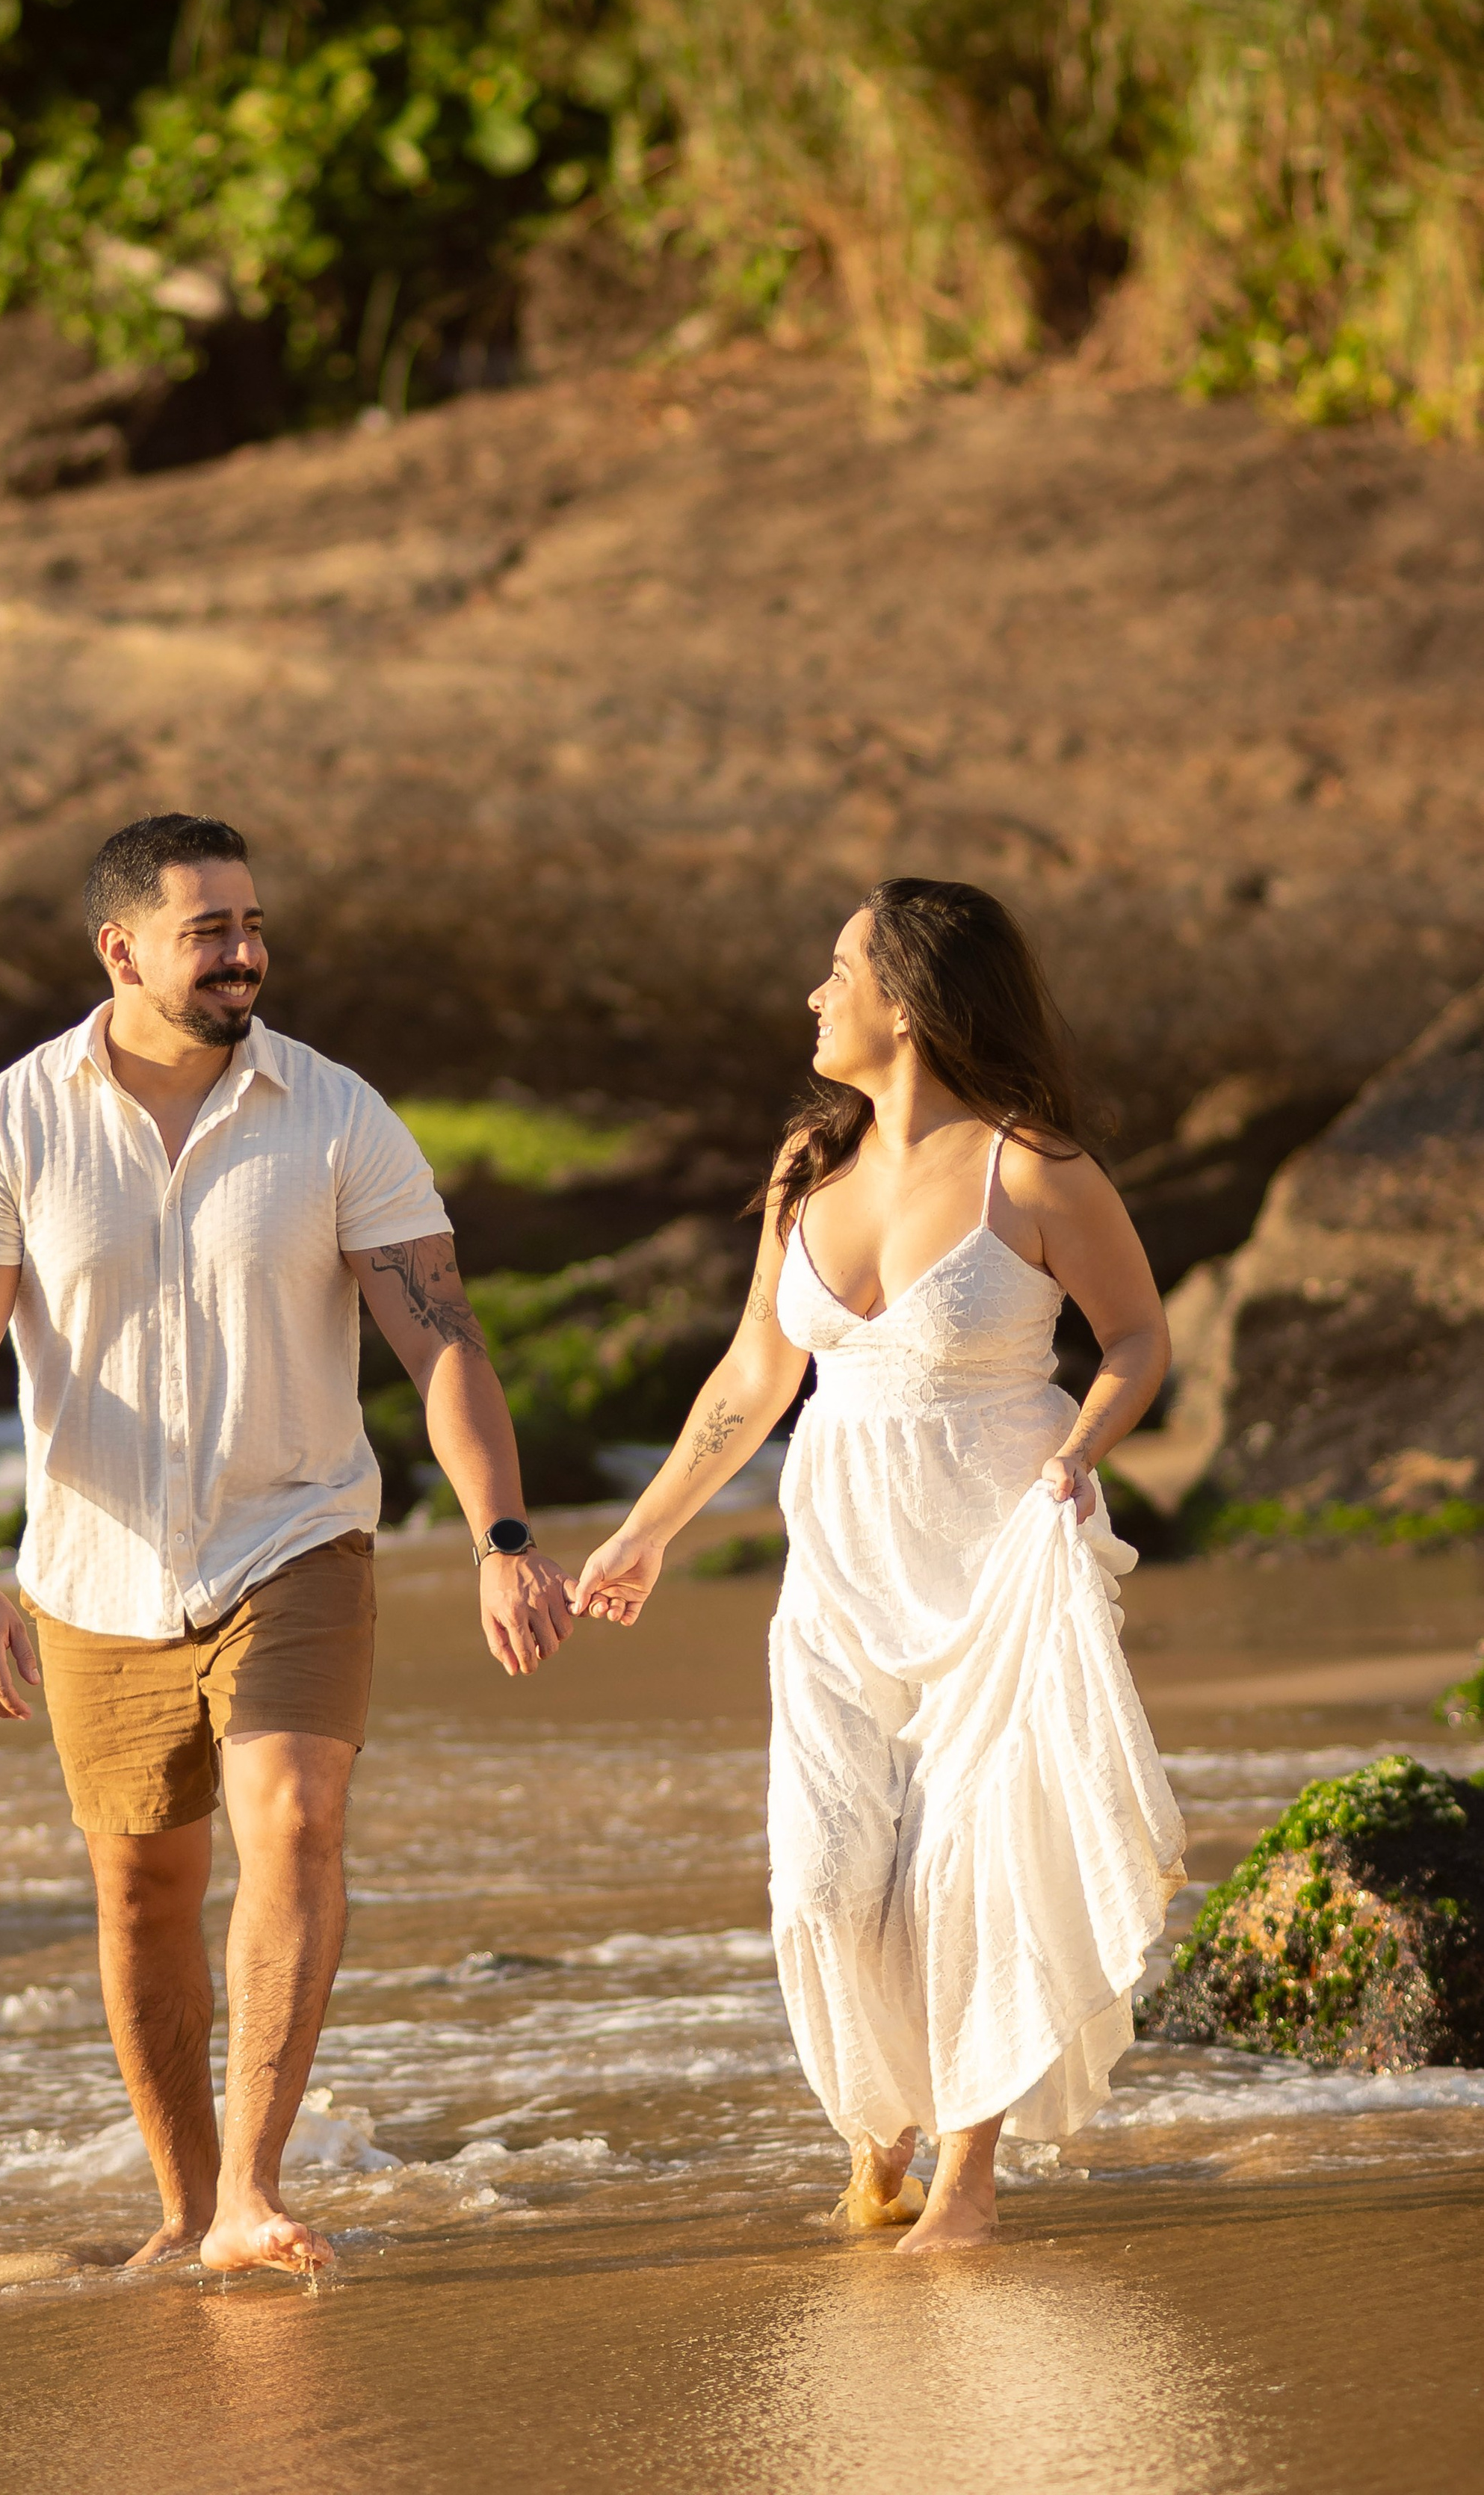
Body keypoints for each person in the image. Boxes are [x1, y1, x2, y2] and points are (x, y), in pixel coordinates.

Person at [0, 812, 571, 2278]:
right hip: (95, 1569)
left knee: (293, 1818)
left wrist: (499, 1535)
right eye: (211, 931)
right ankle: (186, 2204)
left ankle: (254, 2193)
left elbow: (439, 1338)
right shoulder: (8, 1125)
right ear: (119, 949)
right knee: (143, 1886)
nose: (245, 953)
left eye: (252, 926)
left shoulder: (333, 1116)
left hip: (297, 1532)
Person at [572, 878, 1186, 2253]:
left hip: (997, 1562)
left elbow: (1137, 1339)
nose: (815, 993)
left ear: (903, 1002)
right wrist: (648, 1527)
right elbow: (753, 1372)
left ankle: (963, 2184)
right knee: (827, 1878)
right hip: (842, 1573)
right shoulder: (808, 1168)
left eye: (837, 968)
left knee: (980, 1869)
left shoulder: (1032, 1170)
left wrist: (1081, 1452)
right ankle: (878, 2129)